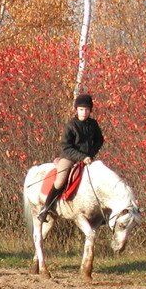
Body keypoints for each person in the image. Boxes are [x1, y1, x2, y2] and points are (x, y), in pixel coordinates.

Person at [37, 93, 104, 222]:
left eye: (86, 109)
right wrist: (81, 156)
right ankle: (46, 209)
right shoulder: (71, 125)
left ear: (90, 110)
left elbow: (100, 140)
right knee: (60, 180)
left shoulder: (93, 124)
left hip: (87, 159)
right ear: (76, 110)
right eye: (81, 109)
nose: (84, 112)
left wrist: (90, 154)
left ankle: (100, 215)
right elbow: (66, 146)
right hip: (69, 157)